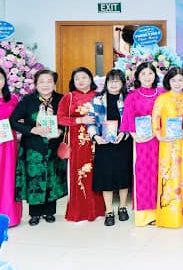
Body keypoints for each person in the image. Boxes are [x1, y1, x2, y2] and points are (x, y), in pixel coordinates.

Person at [10, 69, 66, 226]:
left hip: (53, 147)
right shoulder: (28, 100)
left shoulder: (61, 99)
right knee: (34, 178)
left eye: (49, 81)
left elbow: (67, 121)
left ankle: (50, 212)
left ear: (54, 84)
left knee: (52, 178)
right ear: (35, 84)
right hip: (33, 148)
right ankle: (34, 214)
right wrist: (32, 129)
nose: (45, 85)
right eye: (41, 81)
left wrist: (61, 131)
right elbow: (13, 121)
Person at [57, 67, 105, 222]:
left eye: (84, 77)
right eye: (77, 78)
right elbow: (60, 118)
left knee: (97, 173)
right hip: (77, 142)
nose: (81, 81)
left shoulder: (99, 96)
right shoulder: (69, 97)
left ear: (91, 79)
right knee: (79, 173)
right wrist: (79, 120)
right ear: (73, 81)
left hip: (97, 140)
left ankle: (98, 210)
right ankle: (80, 211)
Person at [120, 62, 164, 226]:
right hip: (142, 142)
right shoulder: (133, 96)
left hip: (161, 140)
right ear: (137, 76)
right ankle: (145, 216)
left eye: (150, 73)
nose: (147, 77)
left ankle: (161, 212)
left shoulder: (162, 93)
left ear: (155, 75)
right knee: (144, 175)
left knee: (160, 174)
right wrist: (135, 136)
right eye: (143, 74)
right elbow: (128, 117)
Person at [88, 69, 132, 227]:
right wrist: (95, 136)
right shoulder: (97, 100)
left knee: (123, 176)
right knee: (105, 177)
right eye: (111, 81)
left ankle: (122, 207)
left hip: (123, 142)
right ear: (106, 83)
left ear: (122, 83)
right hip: (103, 143)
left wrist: (125, 133)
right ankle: (109, 211)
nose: (114, 84)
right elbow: (91, 121)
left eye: (117, 81)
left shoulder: (128, 99)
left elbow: (132, 120)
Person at [152, 67, 183, 228]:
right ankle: (167, 215)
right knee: (168, 175)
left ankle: (182, 214)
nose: (177, 83)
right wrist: (159, 135)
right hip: (167, 144)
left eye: (180, 80)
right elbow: (155, 118)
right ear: (168, 81)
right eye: (173, 80)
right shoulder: (162, 98)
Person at [0, 67, 21, 227]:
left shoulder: (13, 98)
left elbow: (18, 119)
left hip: (9, 143)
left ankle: (9, 215)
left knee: (9, 176)